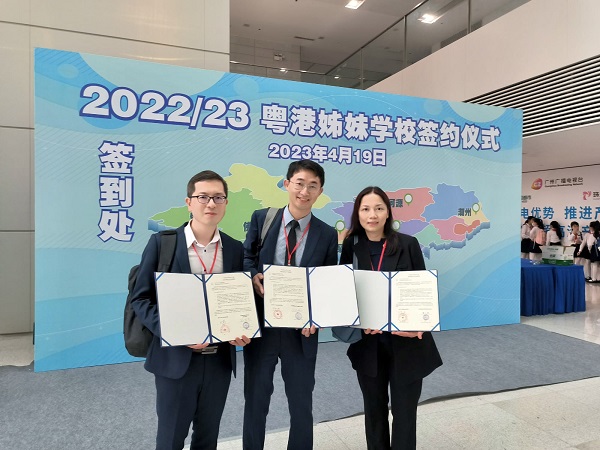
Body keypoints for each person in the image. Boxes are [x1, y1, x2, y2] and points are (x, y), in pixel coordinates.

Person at [131, 170, 251, 450]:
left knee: (208, 438)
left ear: (226, 203)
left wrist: (243, 329)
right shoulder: (164, 244)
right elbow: (141, 299)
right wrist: (178, 333)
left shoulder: (234, 248)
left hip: (219, 361)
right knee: (171, 438)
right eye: (203, 197)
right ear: (189, 202)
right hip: (176, 360)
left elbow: (237, 300)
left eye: (218, 197)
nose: (211, 204)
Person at [242, 160, 338, 450]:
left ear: (320, 191)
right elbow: (246, 259)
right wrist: (253, 275)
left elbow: (326, 280)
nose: (304, 191)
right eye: (299, 183)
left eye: (312, 186)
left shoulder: (326, 233)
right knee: (256, 400)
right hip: (263, 330)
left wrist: (318, 316)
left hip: (302, 332)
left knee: (301, 404)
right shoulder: (263, 219)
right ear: (287, 184)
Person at [338, 186, 443, 450]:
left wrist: (418, 326)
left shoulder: (408, 244)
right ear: (357, 214)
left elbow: (421, 291)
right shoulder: (351, 244)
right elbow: (344, 291)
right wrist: (358, 321)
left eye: (378, 208)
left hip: (406, 344)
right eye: (365, 209)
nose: (372, 215)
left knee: (405, 412)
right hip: (368, 344)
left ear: (388, 212)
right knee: (374, 412)